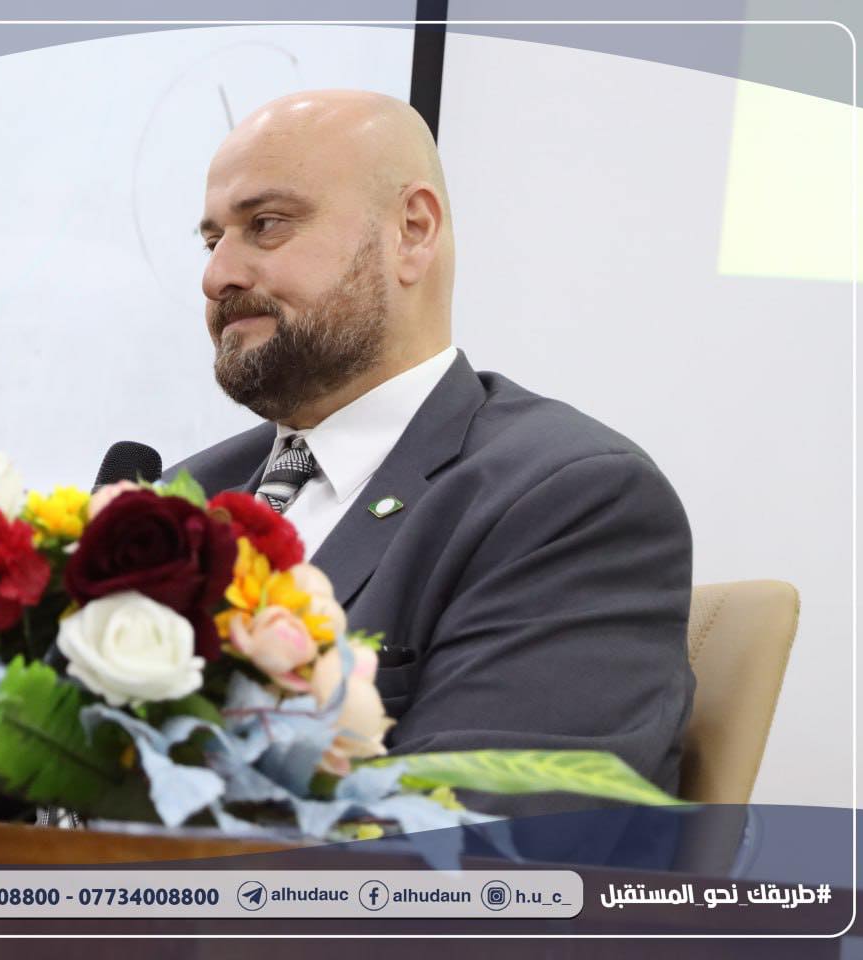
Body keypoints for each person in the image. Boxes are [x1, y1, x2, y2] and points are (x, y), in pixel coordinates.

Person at [168, 89, 696, 817]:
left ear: (412, 232)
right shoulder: (181, 496)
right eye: (211, 241)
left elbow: (472, 846)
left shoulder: (568, 502)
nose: (216, 276)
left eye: (266, 225)